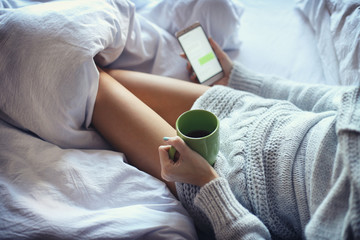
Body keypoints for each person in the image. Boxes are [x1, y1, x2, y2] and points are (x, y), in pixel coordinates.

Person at [91, 39, 360, 239]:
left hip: (226, 180)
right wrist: (238, 78)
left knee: (97, 88)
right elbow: (333, 101)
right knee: (110, 76)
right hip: (249, 110)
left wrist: (208, 184)